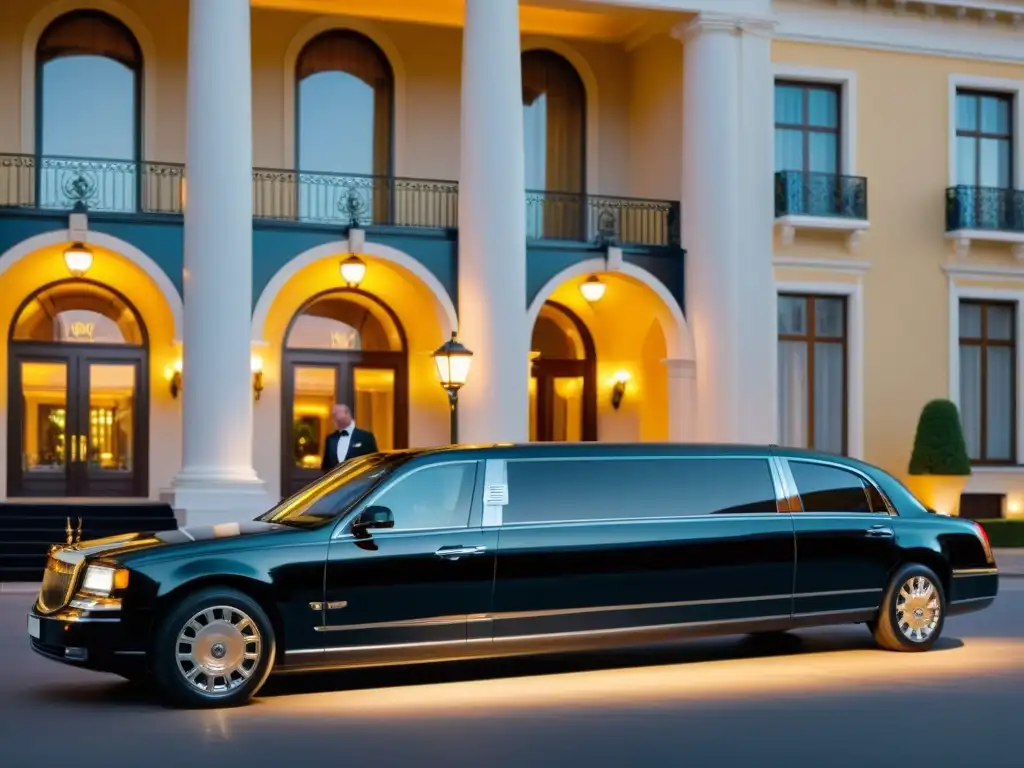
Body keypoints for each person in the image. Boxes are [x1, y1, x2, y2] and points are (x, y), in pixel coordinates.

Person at [320, 403, 378, 473]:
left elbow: (374, 463)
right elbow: (326, 467)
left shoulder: (365, 437)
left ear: (347, 414)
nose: (333, 418)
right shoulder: (330, 439)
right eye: (333, 415)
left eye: (336, 414)